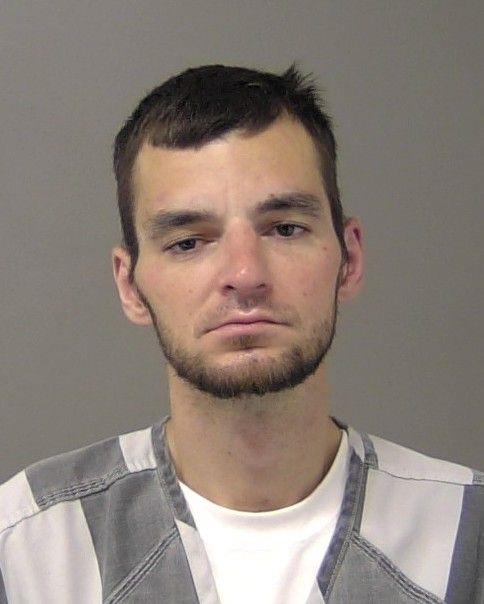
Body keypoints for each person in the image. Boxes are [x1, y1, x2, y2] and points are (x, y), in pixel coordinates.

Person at [0, 64, 482, 604]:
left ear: (349, 259)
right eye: (188, 242)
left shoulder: (467, 535)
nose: (245, 274)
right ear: (130, 284)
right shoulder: (26, 549)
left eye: (285, 229)